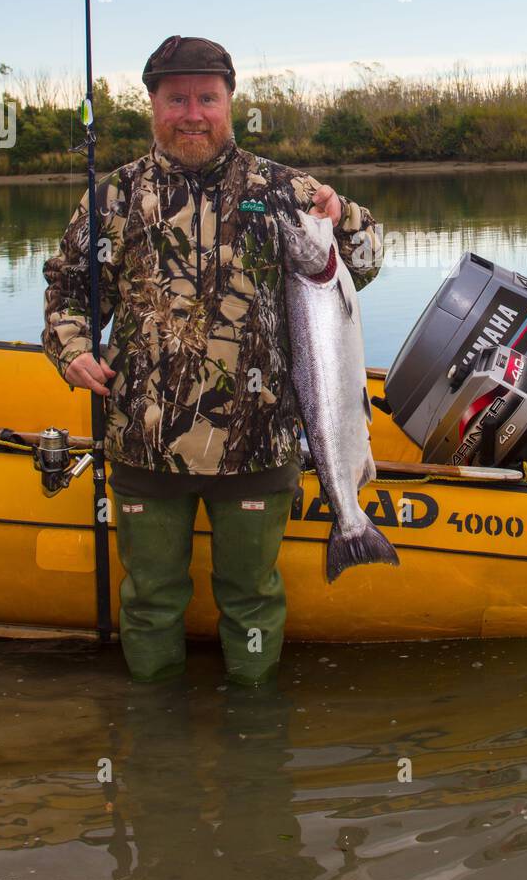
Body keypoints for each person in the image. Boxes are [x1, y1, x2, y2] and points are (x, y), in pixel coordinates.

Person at [42, 35, 383, 687]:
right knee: (149, 603)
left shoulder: (284, 190)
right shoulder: (112, 198)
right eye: (176, 99)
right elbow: (67, 296)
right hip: (144, 445)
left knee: (253, 601)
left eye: (206, 97)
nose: (191, 113)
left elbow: (364, 265)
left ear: (230, 102)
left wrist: (347, 217)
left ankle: (255, 757)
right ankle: (153, 745)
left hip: (257, 447)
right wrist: (73, 350)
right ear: (153, 105)